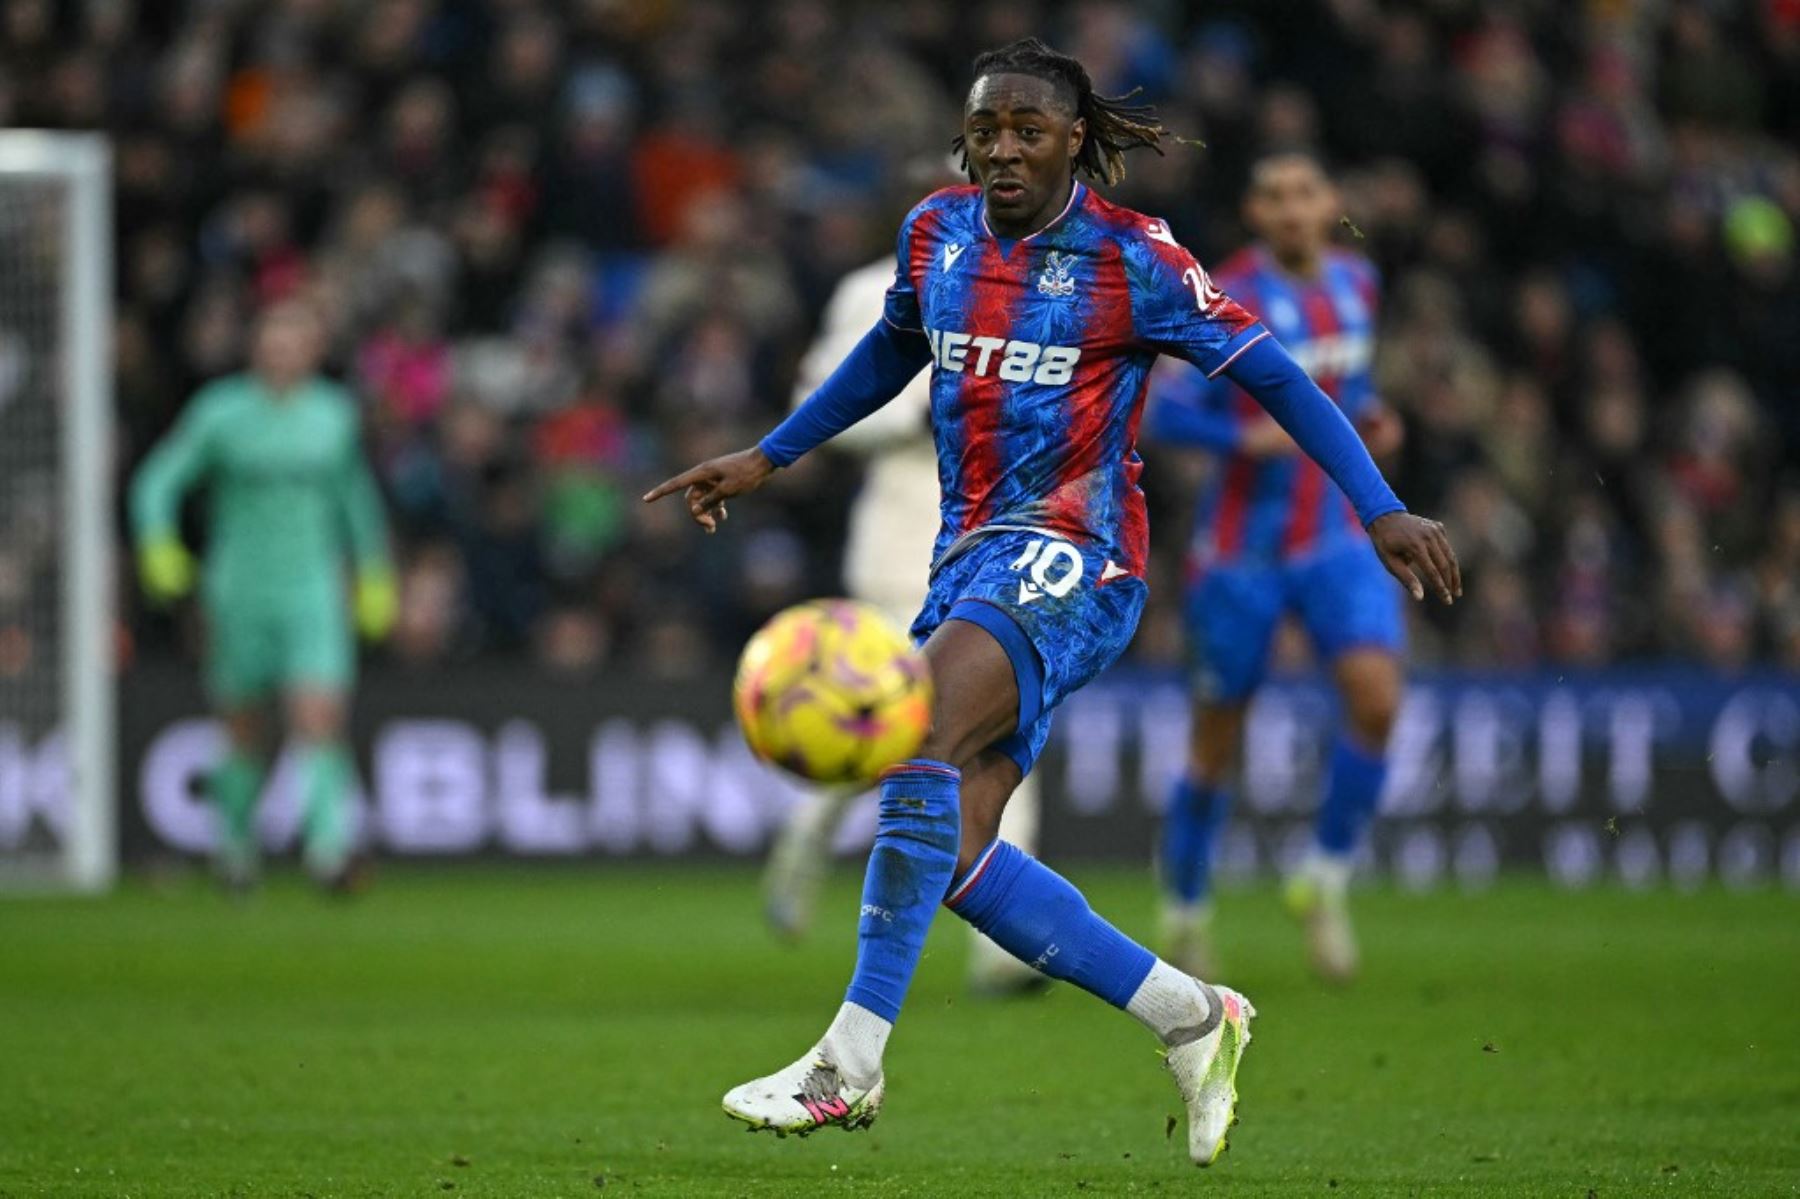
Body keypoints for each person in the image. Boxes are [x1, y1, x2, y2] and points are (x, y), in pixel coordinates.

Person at [645, 38, 1458, 1166]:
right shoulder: (936, 232)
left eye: (1029, 129)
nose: (1005, 150)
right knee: (958, 845)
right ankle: (1190, 1015)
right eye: (987, 130)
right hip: (970, 552)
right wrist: (772, 454)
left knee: (911, 733)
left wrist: (1378, 505)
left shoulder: (1136, 259)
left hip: (1080, 553)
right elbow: (892, 349)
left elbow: (1275, 373)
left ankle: (848, 1060)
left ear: (1076, 137)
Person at [760, 235, 1044, 997]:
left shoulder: (1056, 282)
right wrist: (910, 421)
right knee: (885, 726)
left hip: (1010, 548)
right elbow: (818, 411)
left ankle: (1004, 951)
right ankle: (810, 829)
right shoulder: (875, 288)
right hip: (903, 547)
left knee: (999, 737)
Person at [1147, 150, 1406, 984]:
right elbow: (1160, 411)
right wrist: (1239, 438)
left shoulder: (1359, 283)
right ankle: (1184, 911)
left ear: (1331, 200)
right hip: (1240, 552)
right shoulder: (1222, 295)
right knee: (1215, 741)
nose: (1292, 208)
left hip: (1331, 535)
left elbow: (1346, 391)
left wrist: (1372, 419)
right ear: (1254, 214)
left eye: (1305, 191)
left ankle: (1323, 880)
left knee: (1377, 697)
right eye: (1273, 195)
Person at [130, 299, 396, 892]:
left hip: (313, 587)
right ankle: (235, 848)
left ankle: (327, 853)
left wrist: (375, 572)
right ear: (256, 348)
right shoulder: (221, 414)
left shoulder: (334, 415)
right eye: (272, 340)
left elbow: (356, 501)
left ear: (312, 352)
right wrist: (157, 545)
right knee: (244, 727)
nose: (281, 353)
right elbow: (157, 481)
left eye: (293, 342)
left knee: (319, 716)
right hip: (240, 588)